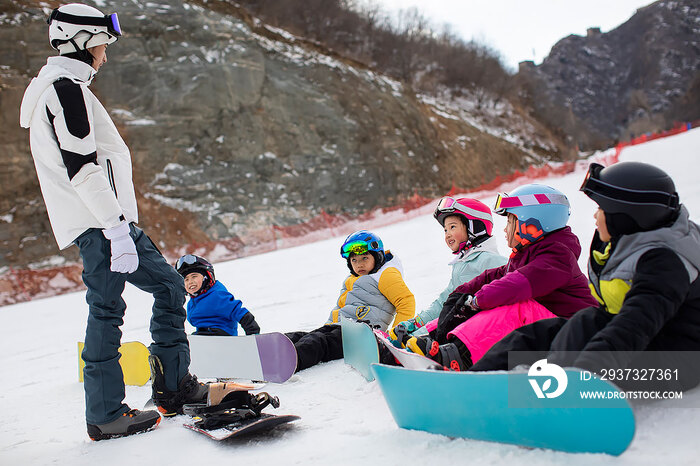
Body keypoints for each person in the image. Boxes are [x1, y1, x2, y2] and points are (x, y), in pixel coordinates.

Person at [19, 4, 207, 440]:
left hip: (103, 222)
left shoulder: (62, 88)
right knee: (111, 310)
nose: (105, 54)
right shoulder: (65, 91)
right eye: (103, 43)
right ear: (83, 42)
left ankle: (170, 389)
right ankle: (110, 412)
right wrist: (117, 228)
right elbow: (83, 169)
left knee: (164, 286)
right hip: (102, 224)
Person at [471, 162, 700, 392]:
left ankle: (549, 391)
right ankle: (476, 381)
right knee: (545, 333)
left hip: (676, 359)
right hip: (647, 340)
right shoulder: (632, 243)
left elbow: (635, 323)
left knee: (584, 328)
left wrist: (586, 374)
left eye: (601, 209)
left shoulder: (665, 262)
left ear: (626, 216)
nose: (594, 215)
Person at [407, 184, 598, 370]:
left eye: (510, 221)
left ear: (531, 223)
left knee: (516, 306)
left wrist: (475, 301)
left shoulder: (557, 257)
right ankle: (426, 341)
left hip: (577, 335)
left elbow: (517, 285)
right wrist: (462, 292)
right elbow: (494, 275)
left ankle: (460, 354)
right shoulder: (526, 255)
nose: (505, 229)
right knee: (466, 306)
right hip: (550, 332)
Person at [285, 230, 415, 372]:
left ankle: (286, 363)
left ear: (377, 256)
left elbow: (406, 302)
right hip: (341, 327)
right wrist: (329, 325)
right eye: (354, 260)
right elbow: (340, 306)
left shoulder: (385, 275)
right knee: (305, 336)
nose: (359, 265)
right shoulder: (351, 279)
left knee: (318, 342)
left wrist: (394, 338)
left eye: (364, 258)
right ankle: (273, 349)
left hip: (360, 335)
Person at [388, 197, 506, 343]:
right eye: (445, 230)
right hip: (455, 328)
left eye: (453, 227)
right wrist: (416, 323)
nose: (447, 234)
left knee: (417, 340)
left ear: (475, 227)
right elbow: (443, 302)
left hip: (475, 335)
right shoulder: (461, 264)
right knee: (409, 338)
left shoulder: (490, 260)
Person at [175, 254, 261, 336]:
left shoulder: (217, 295)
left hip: (222, 336)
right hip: (205, 338)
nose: (190, 282)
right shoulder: (193, 302)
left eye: (194, 276)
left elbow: (238, 312)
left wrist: (252, 331)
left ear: (206, 277)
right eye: (186, 279)